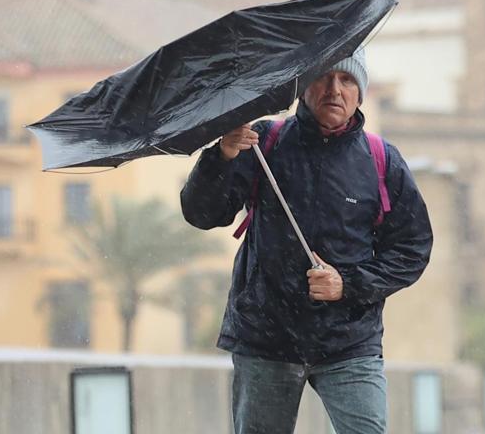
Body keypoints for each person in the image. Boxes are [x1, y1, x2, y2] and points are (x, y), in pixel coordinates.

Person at [180, 48, 433, 434]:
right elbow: (203, 214)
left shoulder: (381, 159)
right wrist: (223, 154)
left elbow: (412, 250)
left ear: (360, 94)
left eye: (347, 80)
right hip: (266, 338)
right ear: (303, 86)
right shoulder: (262, 142)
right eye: (323, 76)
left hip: (349, 342)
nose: (335, 89)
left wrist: (347, 284)